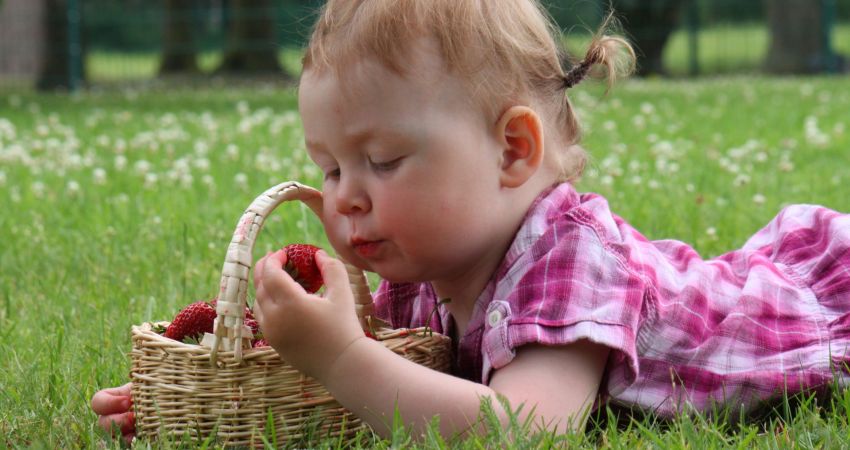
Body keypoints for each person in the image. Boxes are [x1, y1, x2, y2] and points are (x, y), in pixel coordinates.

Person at [92, 0, 850, 443]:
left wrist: (341, 359)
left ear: (512, 151)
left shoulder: (568, 252)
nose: (346, 198)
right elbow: (401, 391)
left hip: (814, 309)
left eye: (383, 160)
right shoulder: (426, 268)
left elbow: (531, 426)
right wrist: (218, 392)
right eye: (329, 168)